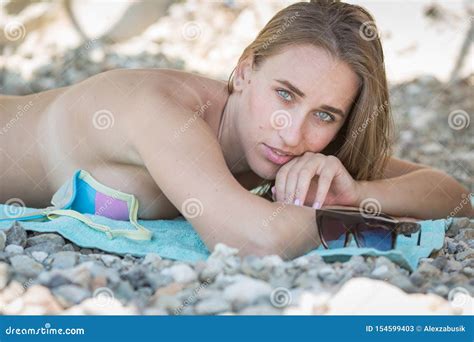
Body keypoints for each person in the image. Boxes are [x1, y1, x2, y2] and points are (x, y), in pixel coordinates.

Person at [0, 0, 471, 259]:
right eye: (284, 94)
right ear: (245, 71)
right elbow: (253, 239)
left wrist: (356, 192)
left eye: (325, 114)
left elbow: (453, 195)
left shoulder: (293, 145)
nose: (292, 133)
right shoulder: (162, 110)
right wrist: (369, 223)